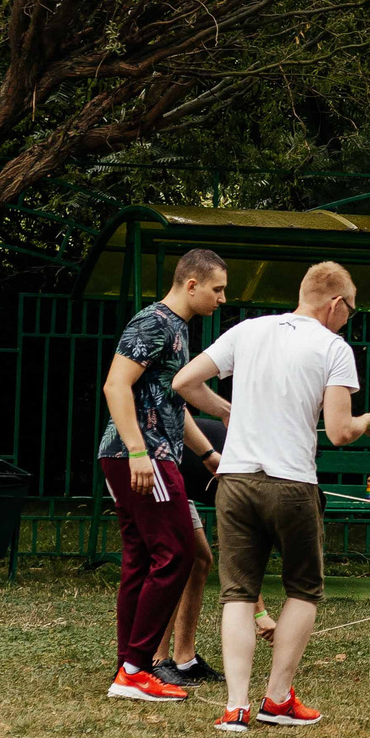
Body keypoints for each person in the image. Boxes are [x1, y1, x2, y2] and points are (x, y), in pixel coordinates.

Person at [173, 261, 370, 735]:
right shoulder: (333, 347)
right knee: (303, 589)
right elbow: (338, 431)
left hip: (235, 480)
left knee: (238, 592)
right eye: (350, 309)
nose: (348, 318)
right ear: (335, 303)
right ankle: (276, 699)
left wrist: (225, 408)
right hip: (291, 483)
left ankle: (235, 708)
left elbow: (184, 383)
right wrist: (369, 421)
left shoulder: (248, 330)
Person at [96, 249, 232, 703]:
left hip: (146, 455)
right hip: (141, 457)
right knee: (177, 553)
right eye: (217, 289)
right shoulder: (153, 322)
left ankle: (127, 669)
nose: (222, 299)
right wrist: (137, 451)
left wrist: (209, 453)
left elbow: (173, 406)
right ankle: (137, 668)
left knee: (141, 560)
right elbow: (116, 385)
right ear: (191, 284)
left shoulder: (177, 328)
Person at [155, 412, 273, 688]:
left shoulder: (263, 478)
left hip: (182, 478)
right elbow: (238, 556)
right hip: (154, 468)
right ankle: (156, 659)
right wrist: (261, 615)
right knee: (176, 559)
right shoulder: (250, 480)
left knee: (199, 560)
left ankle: (185, 659)